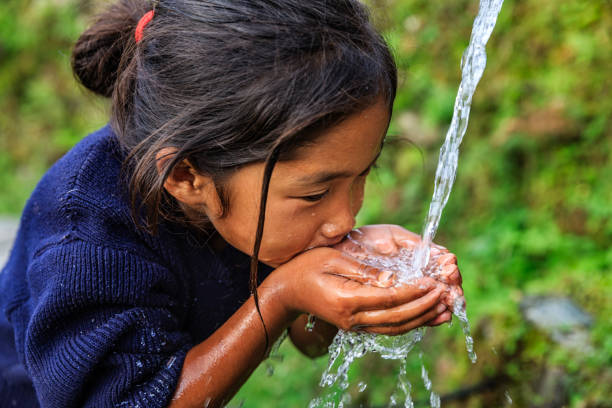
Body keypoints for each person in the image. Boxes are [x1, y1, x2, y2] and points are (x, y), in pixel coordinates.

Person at [0, 0, 463, 407]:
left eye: (364, 175)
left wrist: (347, 274)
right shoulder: (87, 240)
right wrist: (281, 295)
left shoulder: (250, 186)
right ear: (186, 176)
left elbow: (310, 341)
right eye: (316, 193)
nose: (346, 217)